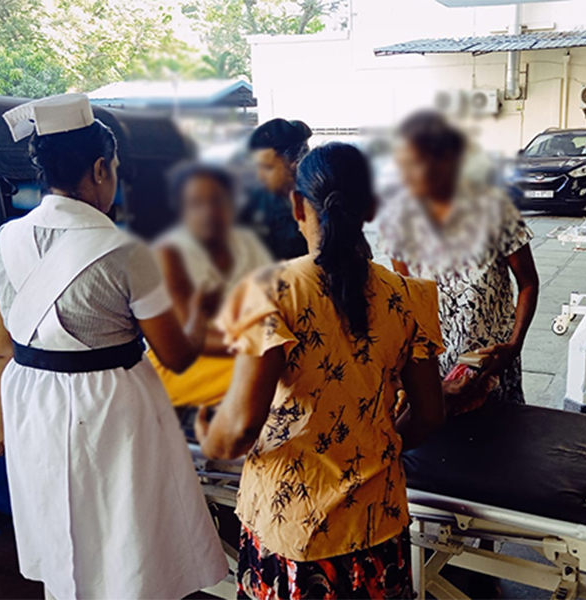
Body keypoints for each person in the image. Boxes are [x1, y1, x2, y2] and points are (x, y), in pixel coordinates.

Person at [0, 94, 227, 599]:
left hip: (31, 405)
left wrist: (1, 427)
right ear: (98, 169)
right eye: (112, 168)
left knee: (63, 531)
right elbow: (176, 355)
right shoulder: (125, 251)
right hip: (110, 407)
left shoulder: (2, 241)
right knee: (124, 536)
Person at [196, 142, 446, 599]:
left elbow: (238, 430)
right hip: (377, 522)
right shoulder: (411, 298)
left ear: (297, 205)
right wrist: (373, 448)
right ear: (371, 208)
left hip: (292, 525)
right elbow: (430, 414)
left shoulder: (269, 291)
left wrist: (206, 434)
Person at [378, 111, 539, 412]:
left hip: (492, 364)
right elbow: (407, 300)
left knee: (501, 443)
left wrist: (514, 346)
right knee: (438, 449)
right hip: (433, 370)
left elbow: (528, 283)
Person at [148, 162, 273, 408]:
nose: (208, 212)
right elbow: (188, 338)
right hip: (185, 364)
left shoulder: (245, 242)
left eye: (217, 201)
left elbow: (271, 303)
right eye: (196, 204)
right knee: (274, 375)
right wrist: (261, 344)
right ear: (182, 210)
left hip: (248, 350)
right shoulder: (169, 252)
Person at [239, 118, 311, 260]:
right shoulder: (253, 202)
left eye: (267, 168)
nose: (259, 176)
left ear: (294, 164)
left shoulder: (318, 202)